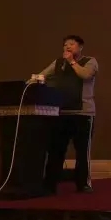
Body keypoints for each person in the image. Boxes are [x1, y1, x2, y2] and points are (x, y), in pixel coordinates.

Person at [38, 35, 98, 194]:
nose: (68, 47)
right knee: (55, 150)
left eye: (72, 44)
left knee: (82, 151)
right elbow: (43, 75)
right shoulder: (59, 63)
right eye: (65, 45)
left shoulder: (90, 61)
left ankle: (83, 184)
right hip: (61, 112)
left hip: (83, 113)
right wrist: (33, 81)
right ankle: (50, 185)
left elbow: (85, 75)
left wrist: (72, 62)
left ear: (80, 47)